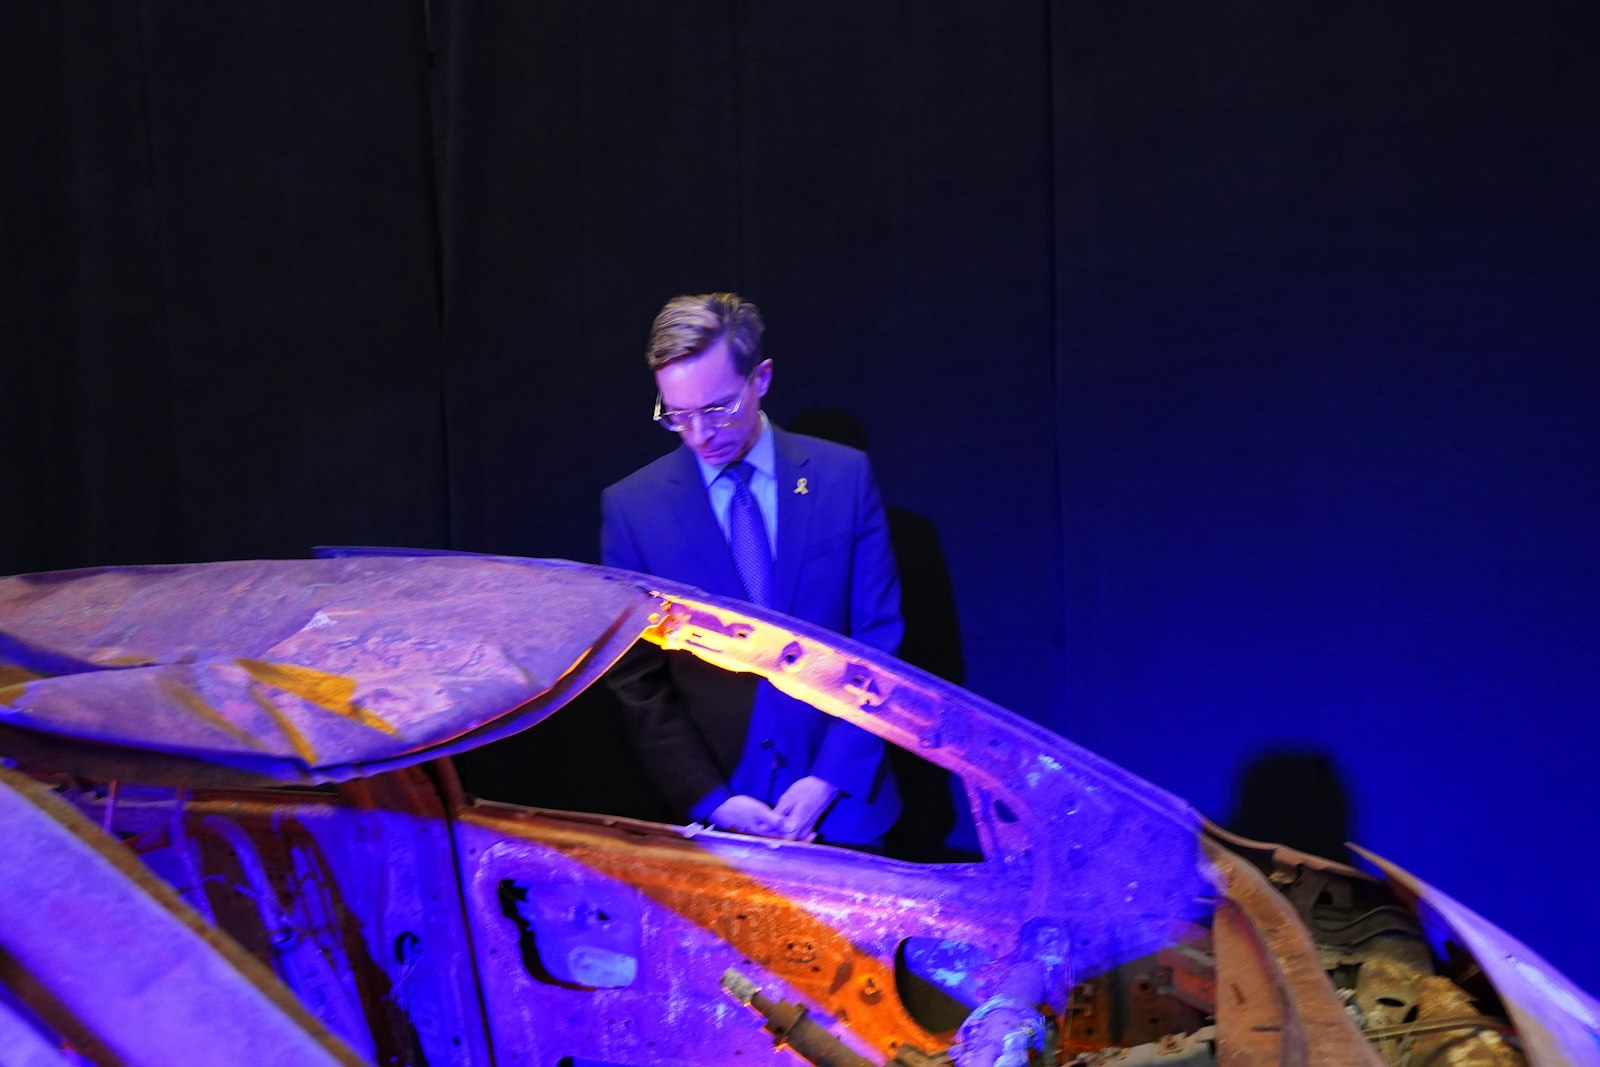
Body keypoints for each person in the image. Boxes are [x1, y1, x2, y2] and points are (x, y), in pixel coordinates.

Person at [601, 292, 902, 846]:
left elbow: (878, 640)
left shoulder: (843, 478)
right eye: (677, 416)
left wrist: (829, 778)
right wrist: (713, 799)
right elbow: (635, 678)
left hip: (845, 805)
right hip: (720, 820)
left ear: (760, 379)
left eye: (716, 409)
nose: (699, 435)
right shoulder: (633, 508)